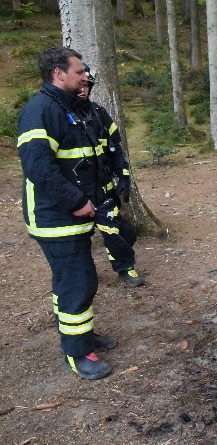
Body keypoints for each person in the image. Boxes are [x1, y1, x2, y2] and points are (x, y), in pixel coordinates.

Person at [16, 46, 115, 380]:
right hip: (55, 218)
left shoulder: (68, 107)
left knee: (73, 280)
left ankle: (81, 334)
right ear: (58, 73)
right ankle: (76, 352)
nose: (85, 75)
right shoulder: (40, 111)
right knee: (78, 281)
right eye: (78, 71)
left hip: (74, 216)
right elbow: (39, 168)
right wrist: (76, 201)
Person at [75, 64, 143, 287]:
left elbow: (116, 150)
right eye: (80, 84)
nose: (82, 89)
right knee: (77, 242)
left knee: (123, 233)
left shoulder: (100, 114)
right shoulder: (60, 116)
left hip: (103, 191)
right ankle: (84, 275)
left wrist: (123, 179)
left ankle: (124, 268)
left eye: (87, 85)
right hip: (75, 194)